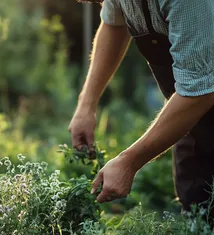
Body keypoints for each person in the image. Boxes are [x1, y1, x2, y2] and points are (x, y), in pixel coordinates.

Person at [69, 0, 214, 214]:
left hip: (196, 99)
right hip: (189, 119)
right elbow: (113, 24)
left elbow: (201, 92)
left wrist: (129, 162)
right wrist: (86, 104)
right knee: (198, 211)